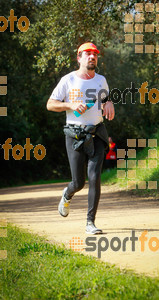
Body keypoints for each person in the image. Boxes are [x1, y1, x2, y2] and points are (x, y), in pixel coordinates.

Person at [47, 42, 115, 234]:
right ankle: (67, 194)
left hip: (97, 133)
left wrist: (109, 102)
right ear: (79, 58)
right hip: (75, 135)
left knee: (95, 178)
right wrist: (70, 105)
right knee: (79, 182)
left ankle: (90, 222)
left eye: (95, 54)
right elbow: (50, 105)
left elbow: (104, 98)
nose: (92, 57)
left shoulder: (101, 80)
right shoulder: (68, 80)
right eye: (88, 54)